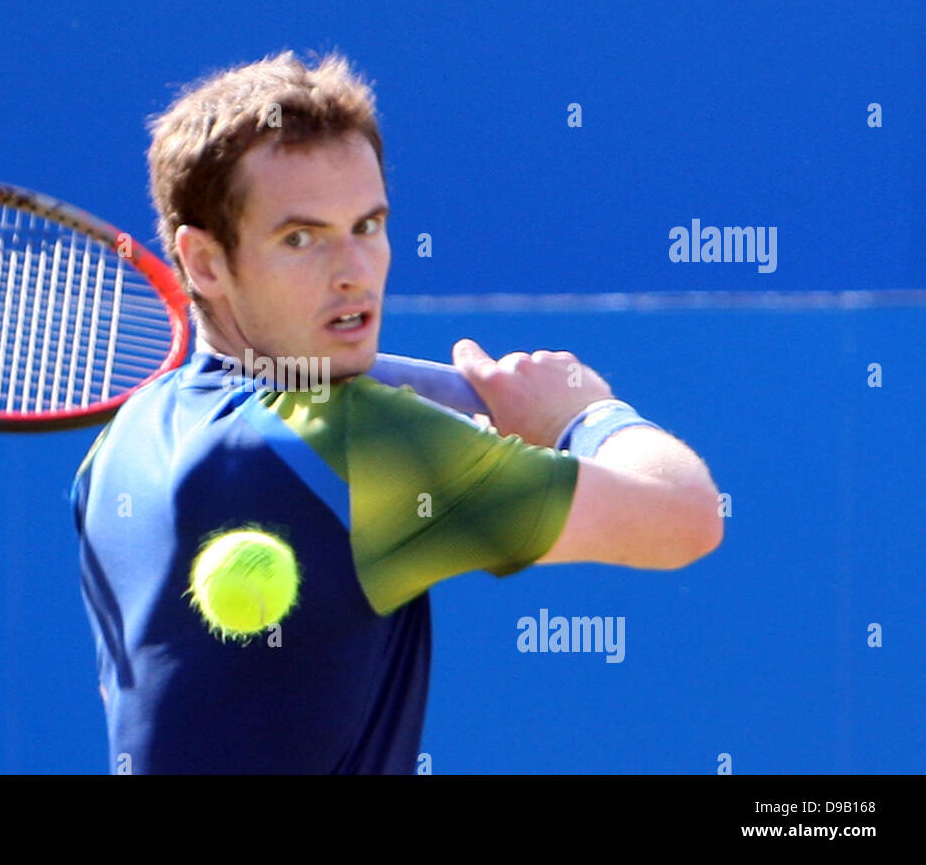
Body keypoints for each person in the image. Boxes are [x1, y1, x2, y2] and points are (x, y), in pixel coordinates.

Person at [71, 50, 722, 774]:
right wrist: (588, 413)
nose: (353, 269)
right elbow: (685, 516)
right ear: (204, 262)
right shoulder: (355, 441)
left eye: (369, 225)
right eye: (301, 238)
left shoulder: (120, 444)